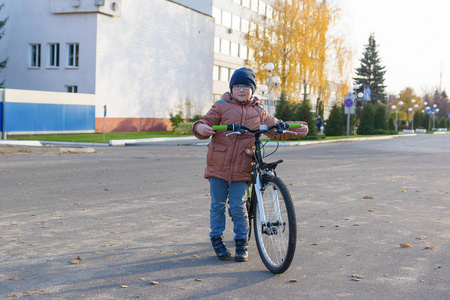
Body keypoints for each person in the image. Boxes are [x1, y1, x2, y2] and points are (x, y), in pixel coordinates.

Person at [192, 67, 309, 262]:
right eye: (237, 86)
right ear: (231, 88)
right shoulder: (220, 106)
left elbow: (275, 127)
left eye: (246, 87)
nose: (241, 90)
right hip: (218, 165)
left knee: (238, 205)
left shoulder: (259, 112)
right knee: (218, 204)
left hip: (244, 166)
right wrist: (202, 128)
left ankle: (241, 242)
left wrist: (295, 128)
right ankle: (217, 238)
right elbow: (203, 122)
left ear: (252, 90)